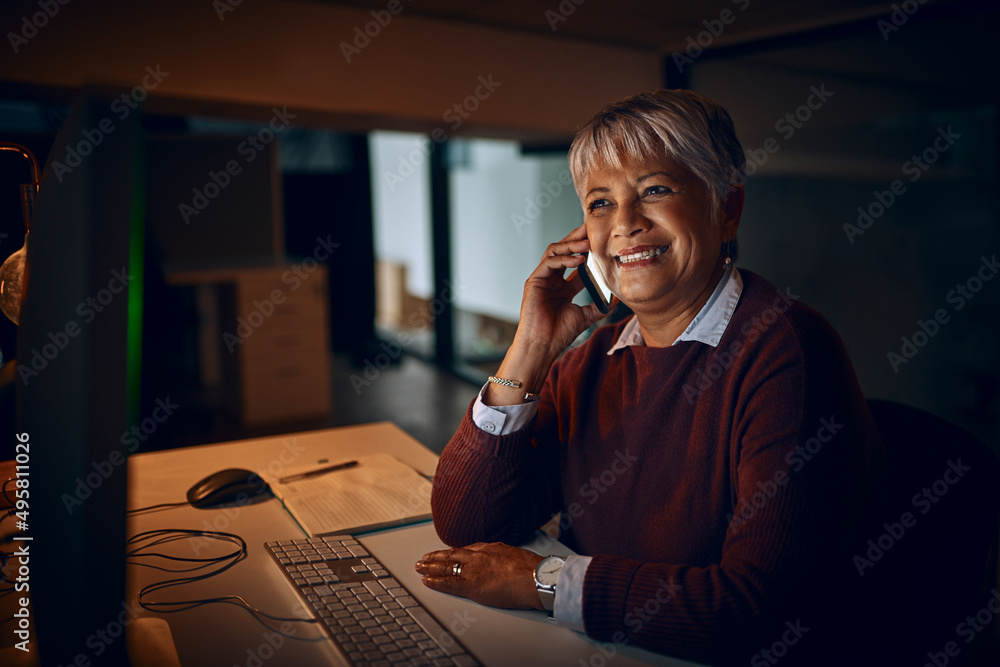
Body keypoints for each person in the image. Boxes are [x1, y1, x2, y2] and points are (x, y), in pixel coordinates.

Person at [414, 89, 886, 665]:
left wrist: (541, 583)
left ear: (726, 207)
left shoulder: (787, 352)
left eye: (655, 190)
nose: (625, 225)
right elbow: (468, 521)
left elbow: (757, 610)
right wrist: (532, 347)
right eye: (599, 203)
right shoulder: (593, 357)